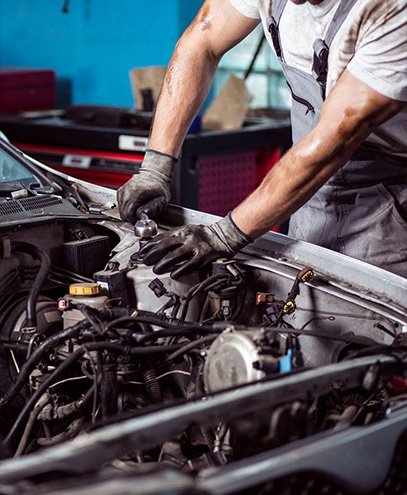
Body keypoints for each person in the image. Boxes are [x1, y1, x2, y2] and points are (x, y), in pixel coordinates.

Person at [118, 0, 407, 279]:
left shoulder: (391, 10)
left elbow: (336, 137)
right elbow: (203, 39)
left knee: (368, 321)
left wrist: (224, 234)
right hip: (310, 192)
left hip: (388, 207)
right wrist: (155, 168)